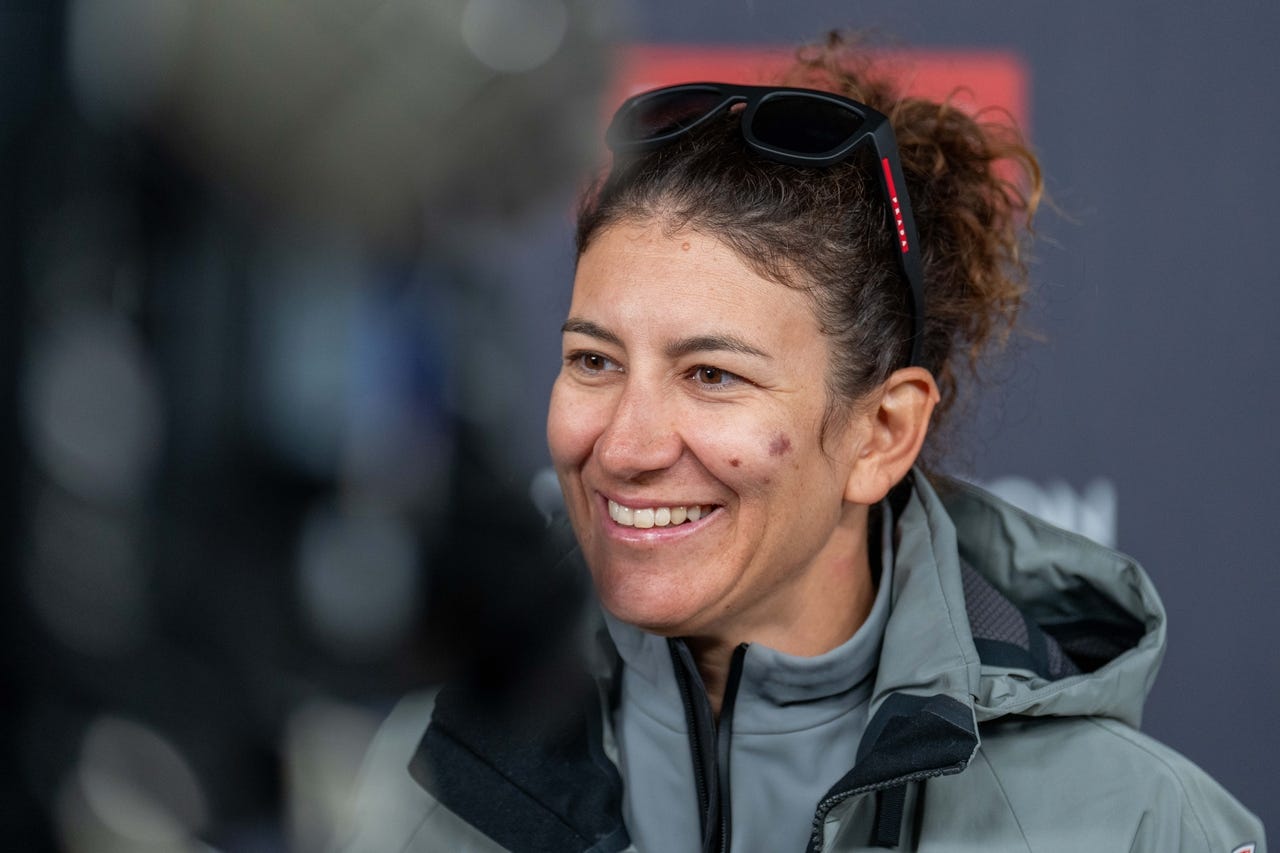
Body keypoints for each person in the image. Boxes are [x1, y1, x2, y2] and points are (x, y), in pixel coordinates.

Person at [338, 33, 1266, 852]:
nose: (623, 445)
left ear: (882, 433)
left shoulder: (1141, 825)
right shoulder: (429, 781)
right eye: (593, 360)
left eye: (712, 374)